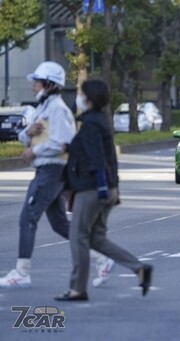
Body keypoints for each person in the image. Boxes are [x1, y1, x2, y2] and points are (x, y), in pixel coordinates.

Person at [0, 62, 115, 289]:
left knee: (27, 217)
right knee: (60, 224)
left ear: (50, 85)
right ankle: (102, 258)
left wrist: (35, 149)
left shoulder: (58, 109)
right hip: (48, 170)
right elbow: (27, 137)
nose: (33, 86)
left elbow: (64, 143)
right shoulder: (43, 108)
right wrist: (27, 133)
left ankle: (22, 271)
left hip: (52, 171)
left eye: (37, 82)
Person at [55, 79, 153, 301]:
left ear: (88, 99)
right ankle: (139, 268)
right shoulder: (102, 122)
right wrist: (113, 188)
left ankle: (77, 288)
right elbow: (106, 156)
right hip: (106, 188)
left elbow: (98, 159)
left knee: (78, 236)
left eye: (82, 94)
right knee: (97, 238)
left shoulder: (90, 125)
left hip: (92, 189)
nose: (79, 97)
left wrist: (101, 187)